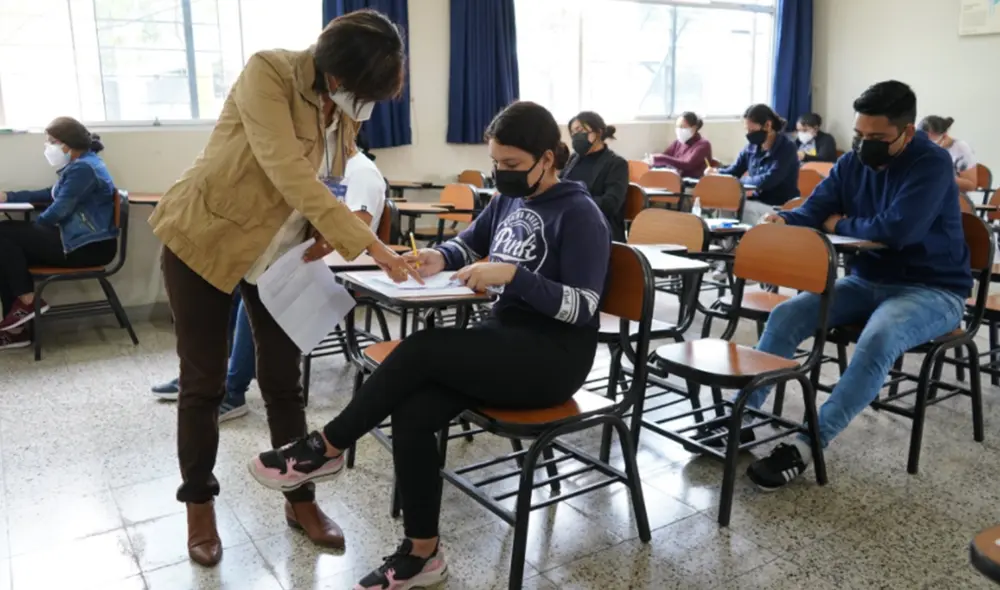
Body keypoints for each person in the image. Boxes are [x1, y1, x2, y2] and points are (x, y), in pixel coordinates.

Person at [246, 100, 611, 590]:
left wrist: (514, 277)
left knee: (421, 349)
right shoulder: (509, 199)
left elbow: (585, 307)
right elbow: (469, 242)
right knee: (414, 411)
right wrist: (437, 258)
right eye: (495, 163)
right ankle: (423, 554)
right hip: (503, 343)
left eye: (511, 165)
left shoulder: (580, 212)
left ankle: (326, 447)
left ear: (547, 158)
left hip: (553, 360)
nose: (500, 174)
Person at [146, 9, 419, 567]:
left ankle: (300, 500)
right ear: (338, 75)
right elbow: (285, 170)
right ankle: (199, 504)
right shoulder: (268, 72)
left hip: (277, 257)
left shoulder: (342, 106)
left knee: (283, 380)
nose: (365, 109)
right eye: (364, 93)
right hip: (207, 239)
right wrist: (371, 244)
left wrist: (324, 228)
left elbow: (330, 175)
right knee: (203, 383)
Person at [716, 80, 970, 491]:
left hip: (933, 289)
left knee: (879, 337)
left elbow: (899, 230)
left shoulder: (931, 162)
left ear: (907, 132)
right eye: (860, 135)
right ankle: (741, 415)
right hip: (867, 279)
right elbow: (818, 207)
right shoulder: (854, 161)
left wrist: (839, 224)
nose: (865, 144)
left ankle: (807, 443)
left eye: (878, 138)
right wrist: (784, 217)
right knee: (786, 314)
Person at [151, 138, 386, 420]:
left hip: (335, 269)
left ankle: (233, 392)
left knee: (257, 294)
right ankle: (212, 377)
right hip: (301, 257)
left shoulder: (361, 171)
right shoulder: (314, 165)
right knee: (229, 283)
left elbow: (353, 229)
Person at [0, 117, 118, 351]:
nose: (48, 147)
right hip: (78, 241)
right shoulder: (80, 164)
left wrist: (35, 228)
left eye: (52, 142)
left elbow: (58, 210)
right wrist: (9, 197)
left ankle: (27, 305)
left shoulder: (84, 168)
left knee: (4, 236)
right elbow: (52, 194)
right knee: (5, 249)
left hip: (89, 248)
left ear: (68, 144)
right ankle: (17, 328)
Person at [706, 104, 799, 224]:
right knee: (727, 203)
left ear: (768, 125)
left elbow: (768, 180)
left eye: (752, 130)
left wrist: (739, 181)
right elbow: (734, 170)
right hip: (756, 201)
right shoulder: (751, 148)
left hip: (779, 206)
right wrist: (716, 173)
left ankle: (747, 241)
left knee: (745, 208)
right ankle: (727, 242)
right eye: (747, 130)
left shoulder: (787, 148)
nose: (749, 134)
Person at [560, 111, 629, 241]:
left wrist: (574, 204)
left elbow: (611, 203)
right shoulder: (573, 159)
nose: (576, 136)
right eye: (573, 133)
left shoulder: (616, 163)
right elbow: (561, 186)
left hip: (599, 227)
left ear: (598, 132)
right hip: (570, 223)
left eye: (580, 130)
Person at [918, 115, 979, 192]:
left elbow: (971, 185)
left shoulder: (961, 149)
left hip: (954, 197)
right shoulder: (918, 145)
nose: (927, 146)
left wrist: (940, 177)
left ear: (944, 136)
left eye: (931, 142)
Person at [651, 111, 713, 178]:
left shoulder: (703, 145)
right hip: (675, 180)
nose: (679, 130)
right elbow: (666, 156)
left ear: (694, 128)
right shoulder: (678, 142)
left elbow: (687, 164)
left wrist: (661, 158)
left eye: (682, 127)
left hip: (692, 184)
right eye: (677, 126)